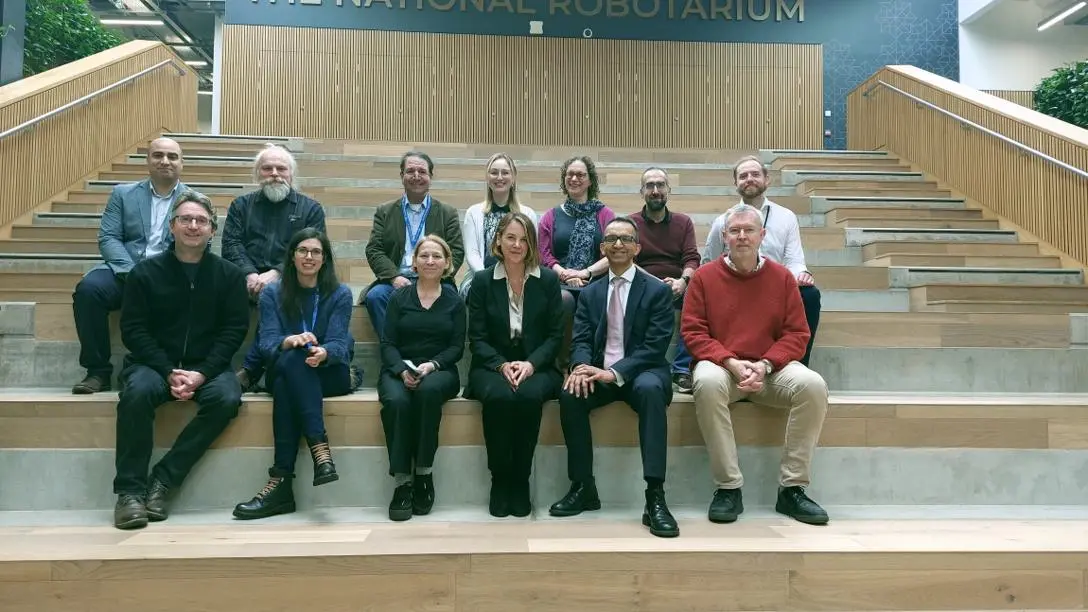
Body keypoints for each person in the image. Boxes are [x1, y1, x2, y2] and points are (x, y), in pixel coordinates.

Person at [684, 203, 830, 526]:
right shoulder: (704, 278)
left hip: (770, 370)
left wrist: (764, 365)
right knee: (706, 382)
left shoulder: (781, 278)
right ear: (724, 237)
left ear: (762, 235)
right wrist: (731, 363)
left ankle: (792, 489)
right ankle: (728, 488)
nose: (742, 237)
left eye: (749, 230)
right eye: (734, 231)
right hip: (724, 368)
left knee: (813, 386)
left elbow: (797, 334)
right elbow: (693, 333)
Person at [112, 190, 249, 530]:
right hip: (153, 364)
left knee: (228, 398)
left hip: (208, 366)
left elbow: (233, 332)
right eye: (185, 219)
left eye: (201, 220)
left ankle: (164, 479)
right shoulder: (145, 273)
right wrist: (167, 370)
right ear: (171, 227)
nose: (193, 225)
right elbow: (134, 330)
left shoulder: (230, 276)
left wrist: (202, 373)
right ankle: (129, 492)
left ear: (212, 231)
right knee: (136, 394)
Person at [548, 217, 679, 539]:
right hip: (599, 370)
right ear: (603, 248)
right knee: (570, 394)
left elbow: (654, 348)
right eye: (611, 239)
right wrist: (580, 367)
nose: (618, 244)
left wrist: (615, 372)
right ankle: (583, 487)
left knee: (650, 390)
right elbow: (580, 339)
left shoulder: (657, 291)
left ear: (637, 247)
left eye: (625, 239)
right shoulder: (590, 294)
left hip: (641, 371)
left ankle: (655, 496)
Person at [232, 228, 359, 520]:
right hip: (290, 364)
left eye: (316, 251)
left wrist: (324, 352)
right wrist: (288, 342)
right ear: (292, 256)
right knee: (291, 360)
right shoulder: (273, 293)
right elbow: (266, 343)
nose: (309, 256)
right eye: (303, 250)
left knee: (287, 378)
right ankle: (320, 450)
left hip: (328, 372)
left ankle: (280, 484)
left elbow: (340, 344)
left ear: (324, 259)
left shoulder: (338, 293)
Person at [71, 137, 188, 394]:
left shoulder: (193, 199)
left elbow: (194, 244)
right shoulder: (123, 194)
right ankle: (97, 371)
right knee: (89, 290)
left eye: (172, 156)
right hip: (125, 271)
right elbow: (109, 237)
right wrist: (133, 273)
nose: (165, 161)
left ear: (181, 163)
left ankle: (155, 369)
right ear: (148, 160)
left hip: (167, 275)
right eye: (158, 155)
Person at [465, 212, 563, 518]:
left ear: (532, 243)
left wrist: (531, 364)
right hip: (491, 364)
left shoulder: (547, 279)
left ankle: (520, 479)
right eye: (510, 237)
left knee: (529, 396)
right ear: (498, 241)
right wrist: (500, 365)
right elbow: (477, 338)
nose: (517, 244)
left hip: (538, 364)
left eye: (523, 239)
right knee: (500, 397)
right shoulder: (482, 281)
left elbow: (555, 335)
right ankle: (500, 479)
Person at [224, 144, 327, 391]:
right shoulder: (241, 205)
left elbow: (311, 250)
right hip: (243, 276)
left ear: (291, 174)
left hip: (291, 277)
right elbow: (231, 244)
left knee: (275, 292)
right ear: (257, 173)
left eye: (281, 168)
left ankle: (251, 370)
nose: (275, 174)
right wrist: (250, 273)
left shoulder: (310, 209)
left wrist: (276, 273)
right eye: (267, 168)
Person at [378, 234, 465, 521]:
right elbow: (388, 343)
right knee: (397, 402)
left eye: (436, 256)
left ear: (447, 263)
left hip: (439, 371)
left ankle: (424, 474)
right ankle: (403, 482)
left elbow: (456, 347)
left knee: (428, 393)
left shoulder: (454, 301)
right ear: (414, 262)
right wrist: (402, 370)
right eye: (424, 256)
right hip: (398, 367)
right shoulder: (398, 297)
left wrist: (432, 365)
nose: (430, 261)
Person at [703, 155, 821, 366]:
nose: (749, 179)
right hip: (733, 287)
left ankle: (796, 364)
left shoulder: (786, 217)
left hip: (773, 289)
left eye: (755, 174)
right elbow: (709, 262)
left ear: (767, 180)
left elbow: (794, 260)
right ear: (736, 183)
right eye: (743, 176)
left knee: (810, 295)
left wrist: (800, 274)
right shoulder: (722, 221)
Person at [362, 151, 464, 338]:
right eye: (410, 171)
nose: (416, 176)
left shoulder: (447, 213)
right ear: (402, 176)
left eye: (422, 171)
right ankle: (394, 353)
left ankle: (432, 355)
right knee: (375, 296)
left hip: (437, 279)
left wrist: (433, 277)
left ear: (430, 177)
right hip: (397, 280)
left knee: (451, 298)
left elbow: (456, 250)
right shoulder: (385, 212)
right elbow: (374, 249)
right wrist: (394, 277)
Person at [629, 167, 700, 394]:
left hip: (677, 286)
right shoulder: (631, 224)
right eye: (650, 185)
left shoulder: (683, 222)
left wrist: (683, 281)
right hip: (642, 284)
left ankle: (681, 369)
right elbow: (627, 262)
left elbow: (691, 258)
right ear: (642, 191)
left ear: (668, 190)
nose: (656, 190)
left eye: (660, 185)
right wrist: (656, 284)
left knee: (699, 295)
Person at [537, 156, 615, 318]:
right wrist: (564, 274)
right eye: (570, 174)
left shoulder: (605, 215)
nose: (574, 179)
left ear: (590, 181)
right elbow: (543, 254)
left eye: (580, 175)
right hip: (558, 282)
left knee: (595, 300)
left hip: (595, 281)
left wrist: (584, 273)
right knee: (563, 300)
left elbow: (614, 253)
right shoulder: (550, 216)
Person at [459, 153, 538, 298]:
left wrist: (514, 280)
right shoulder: (473, 213)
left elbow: (531, 253)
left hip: (520, 278)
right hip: (480, 278)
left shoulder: (528, 214)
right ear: (487, 178)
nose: (499, 177)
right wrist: (488, 280)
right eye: (494, 172)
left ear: (513, 178)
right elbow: (473, 255)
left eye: (505, 173)